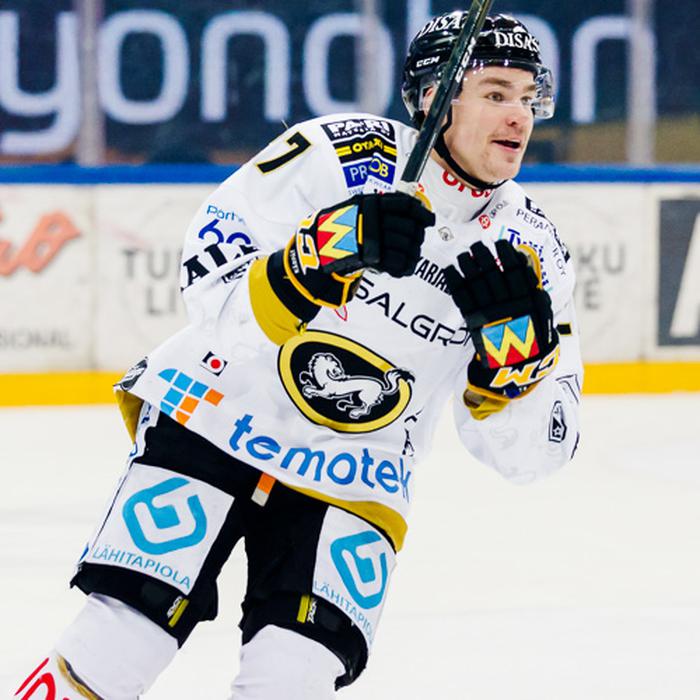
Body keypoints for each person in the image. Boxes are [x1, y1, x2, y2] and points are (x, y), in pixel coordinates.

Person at [14, 12, 582, 700]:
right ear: (435, 96)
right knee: (121, 638)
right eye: (495, 93)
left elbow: (537, 454)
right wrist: (320, 253)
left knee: (294, 678)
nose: (519, 116)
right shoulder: (337, 153)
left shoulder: (535, 251)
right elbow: (208, 281)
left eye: (529, 97)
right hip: (215, 417)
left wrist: (514, 366)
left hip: (358, 473)